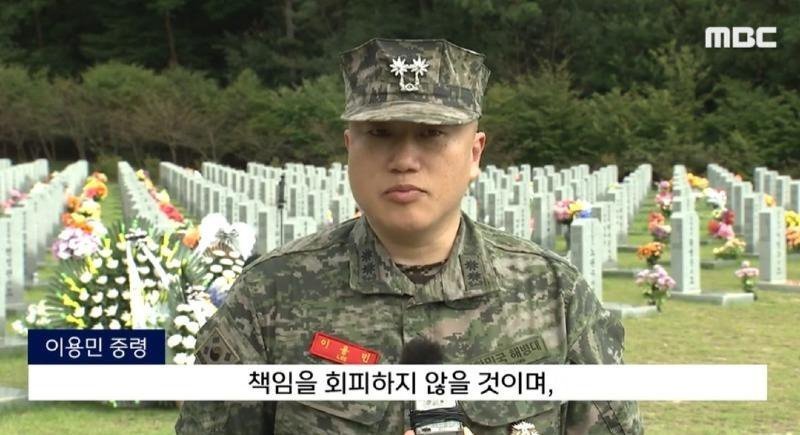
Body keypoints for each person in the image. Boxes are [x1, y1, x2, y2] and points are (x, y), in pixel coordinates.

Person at [176, 38, 643, 435]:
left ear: (475, 153)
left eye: (432, 134)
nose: (404, 159)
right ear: (350, 148)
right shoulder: (269, 296)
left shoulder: (555, 294)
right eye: (380, 133)